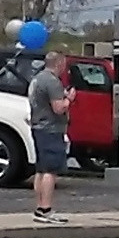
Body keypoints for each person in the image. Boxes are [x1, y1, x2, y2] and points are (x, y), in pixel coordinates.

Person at [28, 49, 75, 224]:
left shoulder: (37, 79)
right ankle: (46, 209)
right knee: (50, 171)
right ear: (59, 63)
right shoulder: (52, 82)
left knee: (40, 170)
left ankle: (39, 206)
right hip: (51, 128)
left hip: (37, 127)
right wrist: (69, 99)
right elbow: (58, 108)